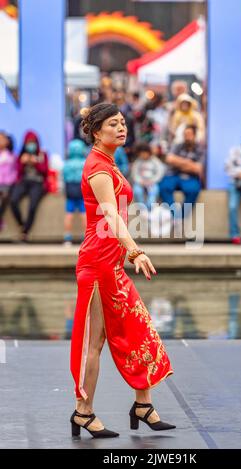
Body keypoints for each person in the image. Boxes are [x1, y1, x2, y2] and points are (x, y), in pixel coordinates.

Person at [70, 103, 175, 439]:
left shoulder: (110, 164)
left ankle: (142, 405)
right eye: (113, 124)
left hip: (111, 263)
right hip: (98, 265)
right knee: (97, 341)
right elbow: (112, 217)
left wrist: (127, 251)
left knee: (138, 330)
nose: (121, 128)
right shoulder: (98, 169)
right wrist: (136, 250)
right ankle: (83, 412)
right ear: (96, 131)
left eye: (122, 123)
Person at [159, 125, 205, 221]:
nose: (187, 137)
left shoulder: (199, 148)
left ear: (194, 135)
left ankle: (181, 217)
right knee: (164, 187)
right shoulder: (178, 145)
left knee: (193, 190)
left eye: (189, 134)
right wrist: (188, 163)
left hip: (190, 178)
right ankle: (175, 215)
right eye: (185, 134)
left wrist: (178, 163)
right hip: (174, 175)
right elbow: (169, 159)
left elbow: (198, 169)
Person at [10, 131, 49, 242]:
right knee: (13, 200)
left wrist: (36, 163)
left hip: (37, 183)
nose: (31, 145)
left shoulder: (42, 154)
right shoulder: (22, 155)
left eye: (33, 142)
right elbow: (18, 171)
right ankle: (22, 225)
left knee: (32, 206)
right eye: (29, 142)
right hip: (24, 181)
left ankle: (25, 232)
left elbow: (45, 171)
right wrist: (23, 162)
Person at [63, 139, 87, 246]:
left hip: (70, 190)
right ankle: (86, 237)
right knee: (84, 214)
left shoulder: (67, 164)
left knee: (69, 214)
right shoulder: (85, 163)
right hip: (82, 190)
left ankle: (67, 237)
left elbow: (64, 178)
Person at [131, 142, 165, 214]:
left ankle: (150, 206)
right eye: (141, 154)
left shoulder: (155, 161)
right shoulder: (138, 162)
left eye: (145, 153)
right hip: (141, 182)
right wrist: (140, 181)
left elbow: (160, 172)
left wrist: (153, 180)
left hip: (151, 182)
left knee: (154, 192)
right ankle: (142, 207)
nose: (143, 155)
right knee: (137, 191)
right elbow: (135, 174)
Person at [0, 131, 17, 231]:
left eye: (2, 138)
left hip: (7, 184)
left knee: (4, 195)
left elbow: (13, 173)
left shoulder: (10, 156)